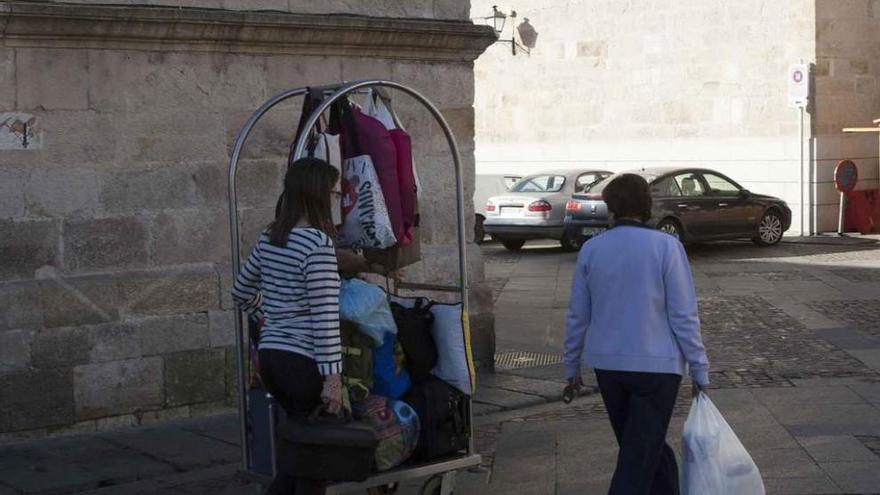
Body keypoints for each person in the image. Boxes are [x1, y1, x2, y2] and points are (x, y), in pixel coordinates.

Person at [563, 173, 710, 495]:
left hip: (610, 366)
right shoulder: (666, 247)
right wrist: (699, 368)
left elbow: (578, 314)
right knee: (639, 456)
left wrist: (571, 366)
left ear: (610, 206)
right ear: (646, 205)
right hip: (658, 367)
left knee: (644, 450)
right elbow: (683, 315)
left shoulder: (592, 249)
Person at [232, 157, 343, 495]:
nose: (337, 199)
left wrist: (267, 314)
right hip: (303, 363)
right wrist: (333, 379)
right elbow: (325, 317)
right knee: (314, 464)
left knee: (298, 458)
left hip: (272, 358)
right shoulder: (318, 245)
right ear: (318, 194)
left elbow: (240, 291)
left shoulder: (271, 237)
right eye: (334, 193)